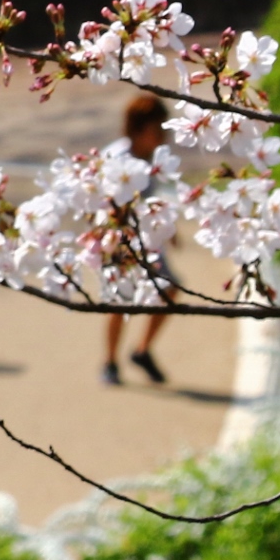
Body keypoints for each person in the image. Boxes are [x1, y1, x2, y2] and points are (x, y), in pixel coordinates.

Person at [104, 93, 173, 387]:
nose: (161, 138)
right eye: (157, 131)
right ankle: (110, 361)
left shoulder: (151, 158)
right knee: (120, 302)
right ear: (138, 129)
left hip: (147, 238)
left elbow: (150, 198)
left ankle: (142, 350)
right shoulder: (116, 158)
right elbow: (103, 201)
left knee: (168, 290)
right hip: (119, 239)